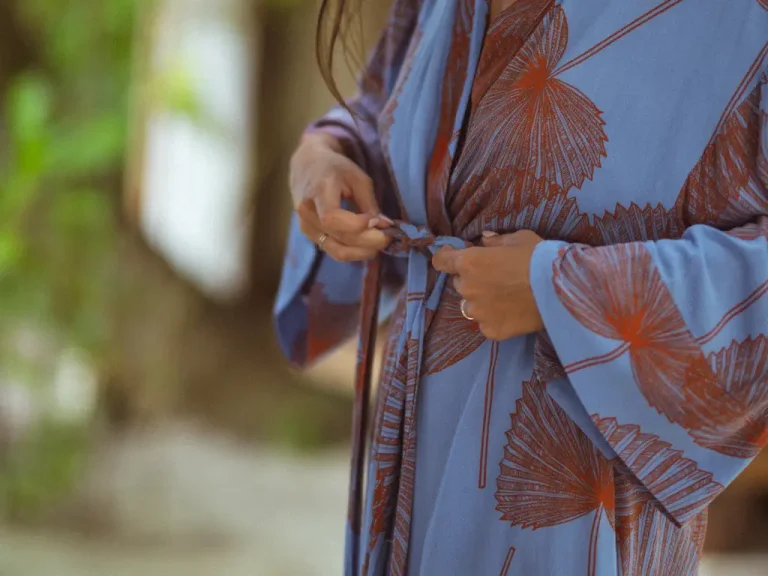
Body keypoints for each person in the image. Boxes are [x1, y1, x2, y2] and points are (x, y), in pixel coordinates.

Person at [274, 1, 768, 574]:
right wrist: (326, 157)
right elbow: (385, 116)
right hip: (409, 456)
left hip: (566, 503)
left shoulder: (735, 21)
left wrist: (562, 288)